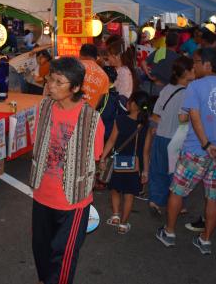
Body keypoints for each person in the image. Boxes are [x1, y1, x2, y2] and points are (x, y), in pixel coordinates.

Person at [156, 47, 216, 255]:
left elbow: (190, 116)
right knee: (213, 197)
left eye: (197, 61)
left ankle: (169, 232)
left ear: (208, 65)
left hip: (196, 150)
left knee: (177, 191)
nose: (194, 65)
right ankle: (205, 240)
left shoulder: (196, 86)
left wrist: (205, 144)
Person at [29, 57, 104, 284]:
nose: (51, 86)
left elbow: (96, 156)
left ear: (76, 87)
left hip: (73, 201)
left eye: (58, 82)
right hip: (42, 195)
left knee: (63, 259)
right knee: (41, 250)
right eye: (50, 80)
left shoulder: (92, 119)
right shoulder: (44, 107)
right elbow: (37, 141)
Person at [147, 56, 195, 214]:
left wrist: (155, 128)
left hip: (161, 136)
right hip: (179, 140)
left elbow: (155, 115)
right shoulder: (190, 93)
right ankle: (178, 204)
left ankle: (156, 201)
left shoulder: (167, 89)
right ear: (187, 72)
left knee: (158, 170)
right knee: (177, 173)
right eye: (193, 69)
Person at [100, 91, 150, 234]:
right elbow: (146, 152)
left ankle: (115, 216)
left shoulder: (120, 120)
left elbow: (111, 141)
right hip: (135, 167)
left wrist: (103, 157)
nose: (127, 103)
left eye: (129, 101)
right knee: (129, 195)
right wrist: (145, 171)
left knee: (115, 189)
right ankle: (123, 224)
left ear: (134, 104)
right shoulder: (145, 126)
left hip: (117, 163)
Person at [79, 43, 109, 109]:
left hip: (70, 112)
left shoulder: (74, 67)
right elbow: (99, 102)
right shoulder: (104, 76)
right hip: (89, 114)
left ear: (80, 54)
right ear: (96, 57)